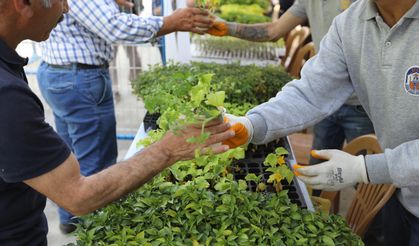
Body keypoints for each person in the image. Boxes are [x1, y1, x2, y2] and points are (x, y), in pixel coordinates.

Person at [0, 0, 233, 244]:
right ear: (23, 3)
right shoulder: (7, 96)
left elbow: (49, 173)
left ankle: (71, 223)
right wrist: (168, 149)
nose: (67, 8)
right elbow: (78, 194)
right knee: (94, 164)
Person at [221, 0, 419, 244]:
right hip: (404, 194)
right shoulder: (351, 23)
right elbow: (311, 92)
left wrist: (364, 169)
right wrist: (252, 124)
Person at [207, 0, 374, 169]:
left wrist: (365, 171)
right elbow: (274, 30)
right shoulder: (325, 11)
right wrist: (228, 28)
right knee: (320, 165)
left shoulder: (363, 9)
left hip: (361, 104)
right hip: (322, 97)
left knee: (371, 182)